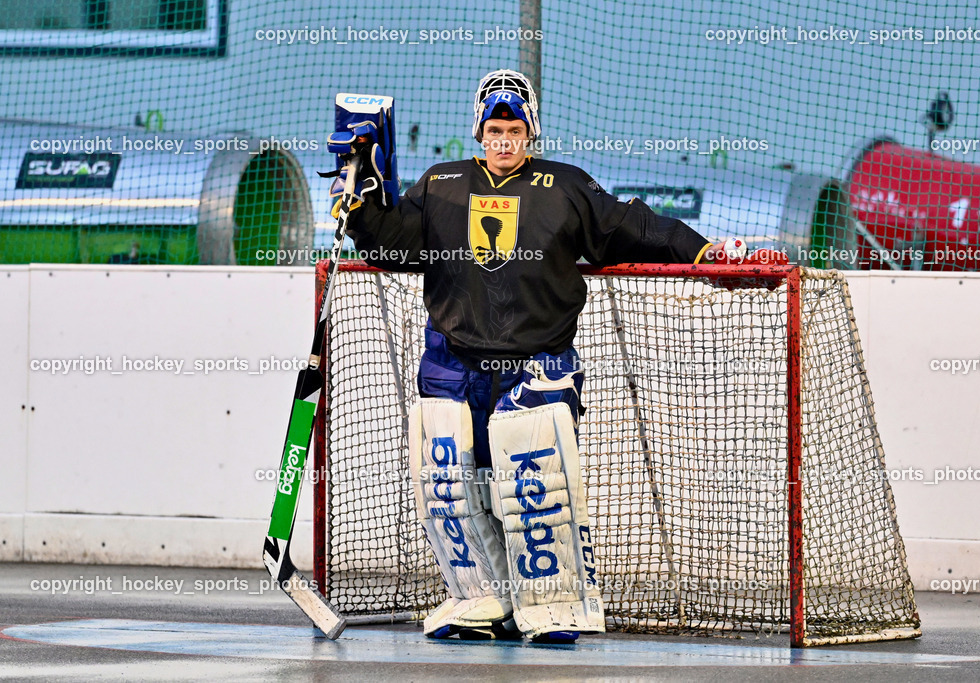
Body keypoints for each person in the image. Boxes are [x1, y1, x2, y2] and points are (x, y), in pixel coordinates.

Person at [327, 69, 780, 644]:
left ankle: (554, 604)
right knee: (450, 484)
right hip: (453, 360)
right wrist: (360, 195)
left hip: (536, 362)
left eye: (515, 128)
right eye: (495, 129)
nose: (504, 140)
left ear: (531, 131)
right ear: (479, 131)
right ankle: (481, 598)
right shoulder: (440, 184)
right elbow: (393, 246)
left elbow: (632, 225)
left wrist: (704, 250)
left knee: (531, 488)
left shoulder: (564, 187)